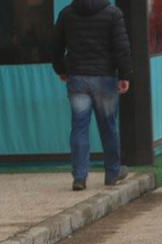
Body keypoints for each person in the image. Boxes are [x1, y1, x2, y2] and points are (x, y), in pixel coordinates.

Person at [52, 0, 132, 191]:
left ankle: (79, 176)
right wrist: (124, 75)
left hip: (78, 78)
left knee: (79, 127)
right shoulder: (113, 14)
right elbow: (122, 47)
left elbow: (55, 46)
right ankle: (112, 172)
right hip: (105, 78)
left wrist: (61, 69)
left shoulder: (66, 14)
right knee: (108, 127)